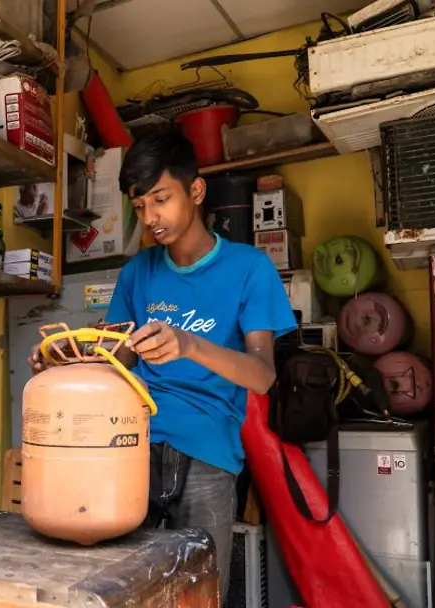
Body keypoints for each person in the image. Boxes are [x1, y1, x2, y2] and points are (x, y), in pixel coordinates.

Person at [28, 131, 298, 602]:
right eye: (139, 206)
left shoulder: (250, 268)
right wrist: (65, 359)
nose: (150, 217)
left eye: (161, 199)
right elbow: (118, 355)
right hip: (128, 444)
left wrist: (190, 345)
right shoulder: (139, 271)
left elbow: (263, 374)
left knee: (195, 592)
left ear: (195, 192)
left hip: (208, 456)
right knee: (120, 587)